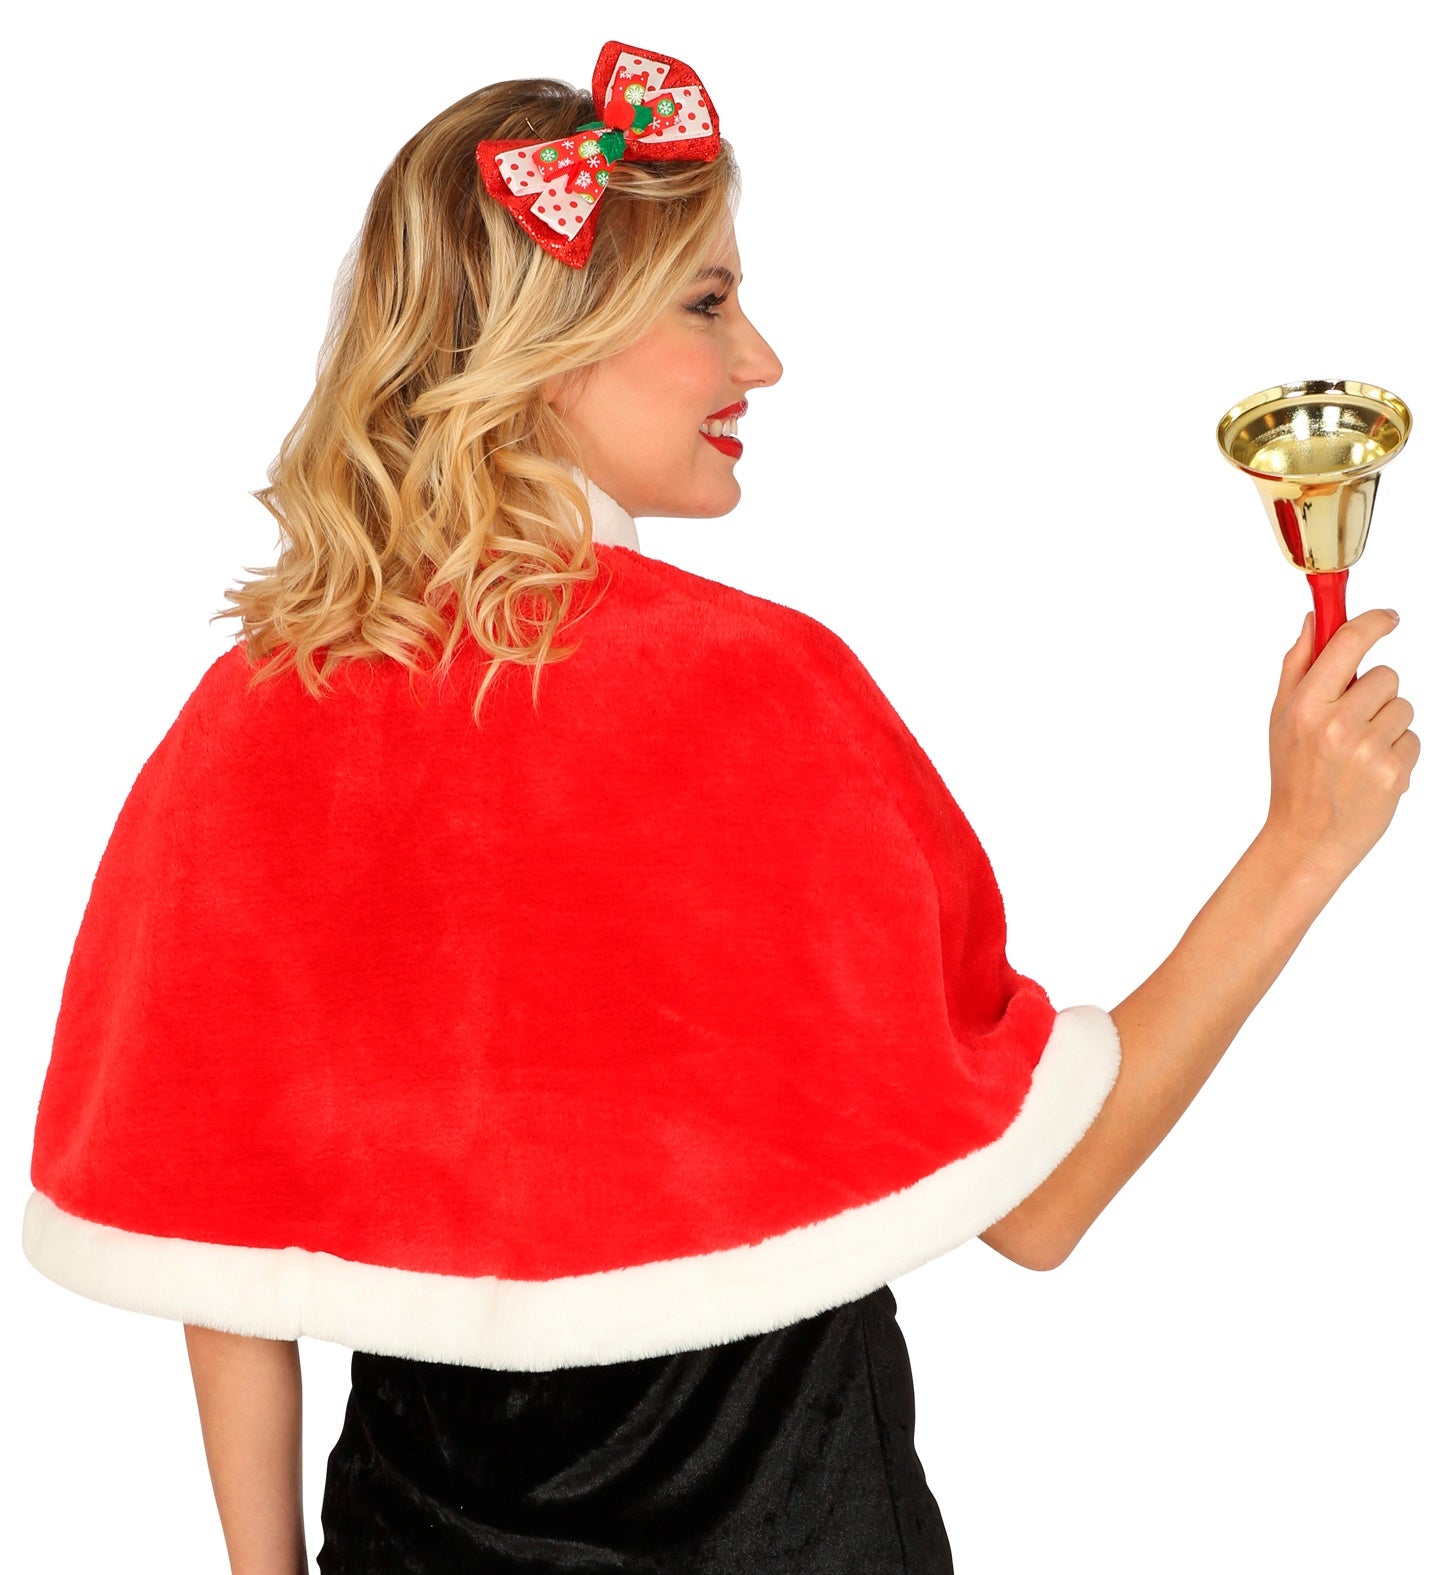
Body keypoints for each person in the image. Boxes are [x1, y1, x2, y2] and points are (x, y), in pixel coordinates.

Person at [21, 41, 1419, 1575]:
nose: (760, 360)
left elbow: (223, 1240)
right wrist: (1301, 844)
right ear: (552, 340)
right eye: (705, 302)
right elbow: (1040, 1203)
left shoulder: (259, 714)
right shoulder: (754, 688)